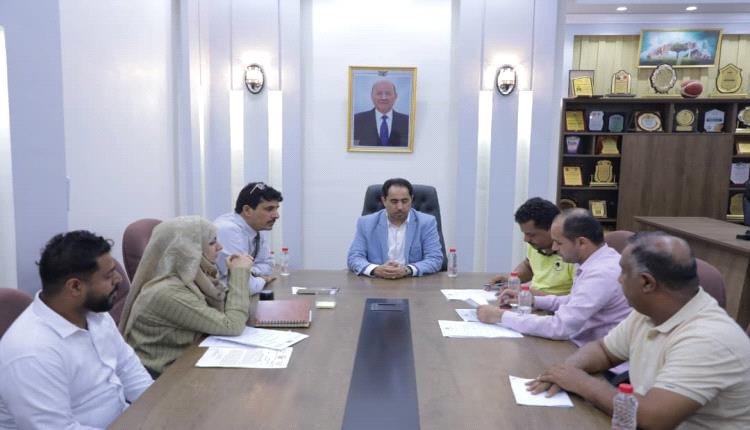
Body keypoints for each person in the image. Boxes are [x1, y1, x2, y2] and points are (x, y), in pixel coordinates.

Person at [528, 232, 750, 429]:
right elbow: (604, 350)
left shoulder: (708, 339)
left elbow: (653, 418)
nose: (618, 279)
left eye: (623, 272)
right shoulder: (650, 312)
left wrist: (581, 382)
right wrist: (567, 370)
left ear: (646, 283)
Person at [0, 231, 153, 429]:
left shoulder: (95, 315)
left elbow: (130, 371)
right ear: (75, 287)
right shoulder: (32, 352)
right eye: (109, 275)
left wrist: (162, 409)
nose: (119, 279)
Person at [118, 216, 254, 377]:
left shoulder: (195, 277)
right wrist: (239, 272)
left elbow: (225, 309)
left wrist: (234, 274)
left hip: (188, 359)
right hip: (163, 378)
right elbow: (232, 326)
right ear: (188, 250)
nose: (220, 247)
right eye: (212, 243)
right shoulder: (167, 292)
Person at [477, 209, 630, 346]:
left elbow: (560, 327)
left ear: (581, 243)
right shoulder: (593, 261)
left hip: (595, 357)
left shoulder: (601, 274)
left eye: (558, 242)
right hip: (581, 345)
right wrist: (533, 300)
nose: (554, 248)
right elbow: (573, 301)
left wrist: (501, 316)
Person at [347, 178, 443, 279]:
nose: (400, 207)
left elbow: (435, 259)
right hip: (377, 281)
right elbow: (354, 257)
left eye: (404, 201)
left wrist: (407, 270)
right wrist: (375, 269)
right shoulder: (366, 223)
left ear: (411, 199)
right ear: (384, 201)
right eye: (394, 201)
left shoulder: (426, 222)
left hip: (412, 281)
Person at [487, 197, 575, 295]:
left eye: (531, 235)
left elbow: (577, 300)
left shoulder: (573, 254)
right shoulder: (536, 245)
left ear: (552, 228)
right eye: (525, 234)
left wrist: (531, 294)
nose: (526, 239)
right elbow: (529, 266)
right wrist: (511, 280)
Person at [214, 181, 282, 294]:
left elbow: (268, 265)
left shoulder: (254, 226)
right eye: (269, 209)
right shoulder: (228, 230)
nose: (276, 215)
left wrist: (250, 272)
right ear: (247, 210)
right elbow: (244, 286)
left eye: (276, 209)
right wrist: (263, 279)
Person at [353, 80, 409, 147]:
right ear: (372, 96)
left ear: (395, 96)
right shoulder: (356, 120)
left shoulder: (407, 121)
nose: (383, 97)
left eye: (388, 93)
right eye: (379, 93)